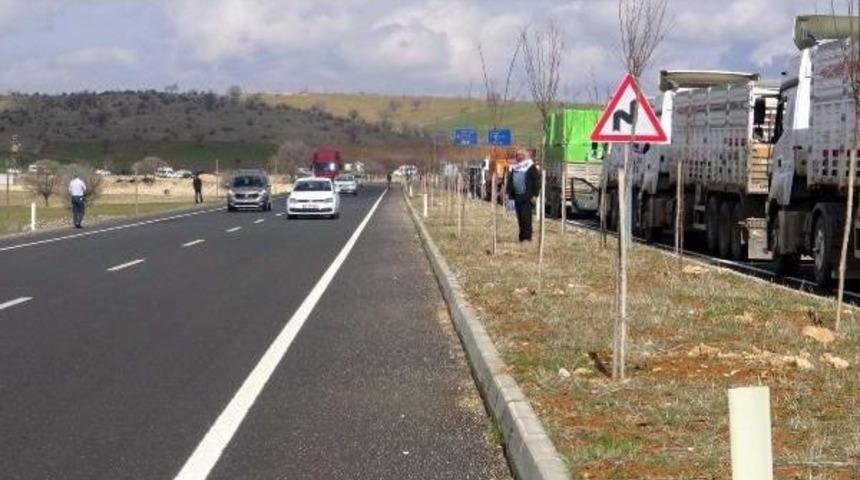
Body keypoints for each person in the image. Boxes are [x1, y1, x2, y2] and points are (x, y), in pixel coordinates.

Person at [506, 149, 540, 242]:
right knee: (520, 218)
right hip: (517, 197)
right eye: (518, 155)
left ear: (525, 156)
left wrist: (535, 195)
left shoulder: (530, 167)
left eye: (521, 155)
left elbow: (537, 181)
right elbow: (510, 181)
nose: (519, 157)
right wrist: (509, 195)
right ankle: (521, 238)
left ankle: (527, 238)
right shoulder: (515, 168)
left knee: (526, 218)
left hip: (527, 197)